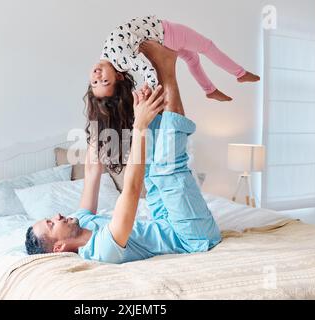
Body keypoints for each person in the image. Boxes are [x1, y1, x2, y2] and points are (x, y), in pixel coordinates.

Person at [25, 44, 221, 263]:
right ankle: (167, 67)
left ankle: (156, 84)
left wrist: (100, 109)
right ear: (59, 247)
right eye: (51, 224)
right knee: (165, 170)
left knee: (152, 162)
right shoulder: (103, 249)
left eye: (50, 218)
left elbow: (92, 171)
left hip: (164, 222)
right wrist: (139, 126)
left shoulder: (82, 221)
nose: (57, 216)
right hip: (191, 238)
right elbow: (132, 189)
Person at [89, 15, 260, 103]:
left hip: (163, 38)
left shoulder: (107, 57)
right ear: (118, 76)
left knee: (193, 60)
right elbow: (147, 70)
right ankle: (240, 73)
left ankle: (209, 90)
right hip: (167, 33)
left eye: (95, 83)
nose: (97, 78)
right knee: (207, 46)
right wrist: (151, 88)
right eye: (104, 81)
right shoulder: (120, 60)